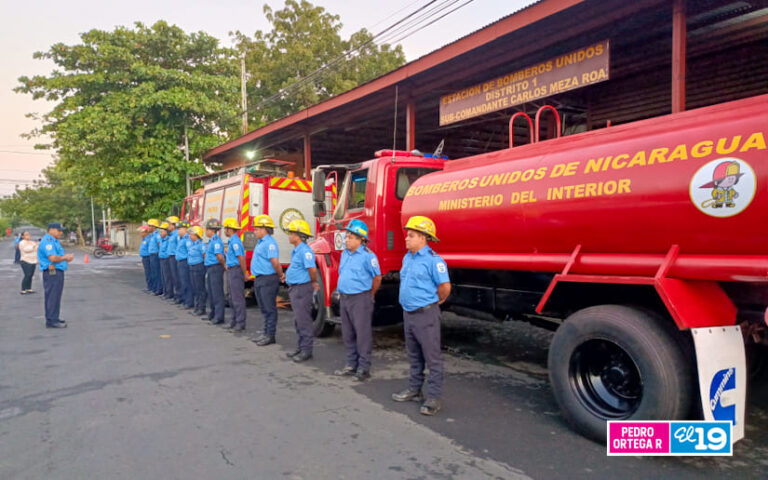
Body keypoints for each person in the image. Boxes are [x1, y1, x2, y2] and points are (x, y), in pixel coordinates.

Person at [391, 216, 451, 416]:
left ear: (423, 238)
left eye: (411, 236)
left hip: (426, 315)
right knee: (414, 355)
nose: (406, 239)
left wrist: (434, 301)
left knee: (432, 357)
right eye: (407, 235)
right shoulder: (407, 257)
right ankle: (414, 389)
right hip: (409, 314)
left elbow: (445, 287)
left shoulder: (434, 260)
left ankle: (433, 398)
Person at [333, 220, 381, 381]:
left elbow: (377, 277)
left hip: (360, 299)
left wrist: (370, 294)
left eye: (351, 237)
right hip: (345, 298)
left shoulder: (368, 256)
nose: (346, 240)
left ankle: (363, 368)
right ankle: (351, 364)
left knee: (362, 334)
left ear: (361, 239)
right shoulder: (345, 253)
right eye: (346, 237)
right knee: (347, 333)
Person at [284, 219, 319, 363]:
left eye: (291, 233)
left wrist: (312, 282)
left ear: (298, 235)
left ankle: (306, 350)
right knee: (298, 320)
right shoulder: (297, 250)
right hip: (295, 288)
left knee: (303, 320)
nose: (289, 236)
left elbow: (312, 269)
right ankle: (301, 346)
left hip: (302, 289)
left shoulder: (305, 251)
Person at [249, 215, 285, 346]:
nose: (254, 231)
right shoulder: (261, 243)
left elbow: (274, 262)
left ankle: (270, 335)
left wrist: (280, 274)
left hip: (268, 279)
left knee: (269, 308)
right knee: (264, 308)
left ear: (264, 229)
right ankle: (265, 332)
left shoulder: (270, 243)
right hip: (259, 278)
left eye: (257, 229)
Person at [38, 222, 74, 328]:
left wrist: (66, 259)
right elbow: (52, 258)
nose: (61, 232)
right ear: (51, 229)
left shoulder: (54, 241)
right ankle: (51, 320)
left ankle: (54, 317)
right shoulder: (48, 241)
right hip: (52, 272)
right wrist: (65, 257)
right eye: (59, 230)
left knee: (56, 295)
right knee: (52, 296)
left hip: (57, 271)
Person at [222, 218, 248, 332]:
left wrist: (244, 272)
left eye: (225, 229)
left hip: (236, 271)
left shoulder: (236, 242)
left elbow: (241, 258)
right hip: (231, 270)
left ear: (229, 229)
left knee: (237, 298)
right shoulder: (232, 241)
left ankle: (240, 322)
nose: (224, 231)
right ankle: (233, 320)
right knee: (232, 297)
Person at [203, 218, 226, 325]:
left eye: (206, 230)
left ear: (211, 230)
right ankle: (213, 314)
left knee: (217, 293)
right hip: (210, 268)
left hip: (216, 268)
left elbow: (220, 257)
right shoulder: (211, 240)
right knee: (211, 292)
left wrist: (224, 265)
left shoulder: (216, 241)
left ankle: (219, 316)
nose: (205, 232)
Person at [187, 226, 207, 317]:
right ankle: (197, 306)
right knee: (195, 288)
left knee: (200, 288)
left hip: (198, 267)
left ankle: (201, 308)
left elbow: (204, 256)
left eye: (192, 234)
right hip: (192, 267)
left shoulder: (201, 245)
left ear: (197, 235)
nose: (190, 235)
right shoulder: (193, 244)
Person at [174, 221, 193, 309]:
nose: (178, 231)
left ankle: (188, 301)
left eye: (180, 229)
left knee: (186, 282)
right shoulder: (181, 239)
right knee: (182, 281)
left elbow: (190, 252)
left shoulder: (187, 239)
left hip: (185, 262)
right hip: (180, 261)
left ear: (186, 229)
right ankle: (185, 299)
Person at [165, 216, 181, 303]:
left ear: (173, 225)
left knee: (176, 277)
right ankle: (176, 295)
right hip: (170, 257)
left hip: (175, 257)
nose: (168, 226)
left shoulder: (176, 235)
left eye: (169, 224)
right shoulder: (171, 234)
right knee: (173, 277)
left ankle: (179, 296)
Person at [146, 218, 163, 295]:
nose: (148, 227)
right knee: (153, 272)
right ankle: (154, 288)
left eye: (150, 226)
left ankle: (158, 289)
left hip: (156, 255)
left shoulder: (157, 235)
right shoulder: (151, 235)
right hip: (151, 255)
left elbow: (160, 245)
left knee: (157, 273)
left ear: (154, 227)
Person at [158, 222, 173, 300]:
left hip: (166, 259)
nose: (160, 233)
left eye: (161, 231)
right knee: (163, 276)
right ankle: (165, 292)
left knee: (167, 277)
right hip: (162, 259)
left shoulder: (168, 239)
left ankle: (169, 293)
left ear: (166, 232)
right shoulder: (162, 240)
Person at [138, 224, 152, 292]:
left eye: (142, 232)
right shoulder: (144, 239)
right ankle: (149, 286)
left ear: (146, 232)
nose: (140, 233)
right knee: (147, 273)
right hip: (144, 257)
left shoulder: (148, 239)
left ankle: (151, 287)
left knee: (149, 272)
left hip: (148, 258)